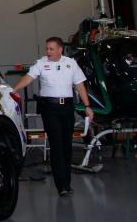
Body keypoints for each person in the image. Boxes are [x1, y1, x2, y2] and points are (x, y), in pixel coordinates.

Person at [13, 37, 94, 197]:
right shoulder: (41, 63)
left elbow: (79, 85)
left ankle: (67, 183)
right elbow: (29, 78)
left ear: (60, 49)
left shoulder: (71, 63)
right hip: (50, 107)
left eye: (51, 49)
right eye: (47, 49)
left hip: (67, 107)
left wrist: (87, 106)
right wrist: (14, 89)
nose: (48, 52)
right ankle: (61, 185)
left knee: (66, 144)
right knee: (56, 143)